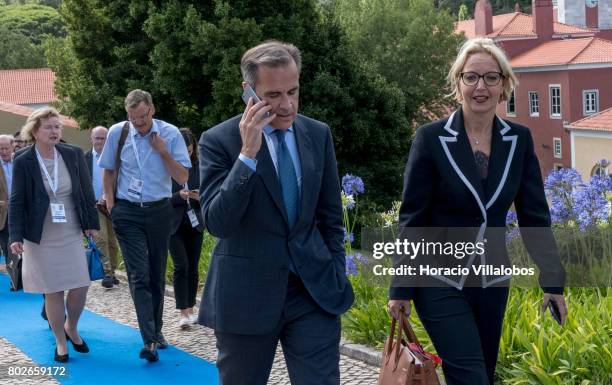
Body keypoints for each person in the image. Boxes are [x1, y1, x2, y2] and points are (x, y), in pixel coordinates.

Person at [387, 37, 567, 385]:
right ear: (458, 84)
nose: (480, 87)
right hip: (438, 279)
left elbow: (534, 217)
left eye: (490, 78)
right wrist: (400, 287)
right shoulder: (431, 138)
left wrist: (552, 281)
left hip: (491, 280)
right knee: (470, 376)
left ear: (505, 85)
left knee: (480, 373)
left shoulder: (520, 140)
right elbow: (412, 218)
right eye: (471, 77)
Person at [198, 41, 354, 385]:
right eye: (272, 96)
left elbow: (329, 217)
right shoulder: (218, 141)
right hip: (245, 298)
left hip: (312, 292)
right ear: (247, 91)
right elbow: (217, 222)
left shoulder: (318, 134)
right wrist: (247, 155)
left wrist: (334, 270)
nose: (286, 106)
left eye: (293, 92)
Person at [98, 89, 190, 362]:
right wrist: (113, 206)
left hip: (160, 210)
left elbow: (182, 175)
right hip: (127, 211)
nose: (138, 123)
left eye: (142, 117)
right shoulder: (118, 132)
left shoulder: (170, 134)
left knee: (156, 274)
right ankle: (148, 340)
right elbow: (109, 170)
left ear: (151, 109)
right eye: (133, 118)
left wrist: (163, 152)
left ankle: (157, 331)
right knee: (138, 275)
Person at [9, 107, 99, 363]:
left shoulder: (72, 154)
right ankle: (61, 340)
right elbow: (17, 201)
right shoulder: (24, 159)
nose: (55, 131)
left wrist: (91, 223)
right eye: (49, 127)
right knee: (53, 291)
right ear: (35, 131)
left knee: (81, 284)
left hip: (70, 230)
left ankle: (72, 326)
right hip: (40, 236)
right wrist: (15, 235)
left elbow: (85, 191)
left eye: (58, 126)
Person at [169, 128, 203, 329]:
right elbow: (159, 197)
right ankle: (183, 311)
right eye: (184, 149)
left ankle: (191, 308)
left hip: (195, 221)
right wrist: (177, 196)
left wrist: (200, 195)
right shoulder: (167, 167)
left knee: (193, 266)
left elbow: (210, 189)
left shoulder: (199, 166)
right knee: (181, 266)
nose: (188, 153)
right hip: (173, 224)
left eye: (190, 149)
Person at [85, 126, 121, 289]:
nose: (100, 141)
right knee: (101, 239)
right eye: (97, 138)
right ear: (91, 138)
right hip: (94, 205)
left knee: (113, 241)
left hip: (113, 204)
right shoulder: (84, 158)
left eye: (103, 138)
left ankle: (112, 271)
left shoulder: (115, 158)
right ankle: (106, 272)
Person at [0, 135, 14, 261]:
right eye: (0, 149)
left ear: (12, 147)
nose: (3, 152)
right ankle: (12, 277)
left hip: (20, 211)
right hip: (2, 214)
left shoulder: (21, 161)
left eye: (6, 148)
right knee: (7, 248)